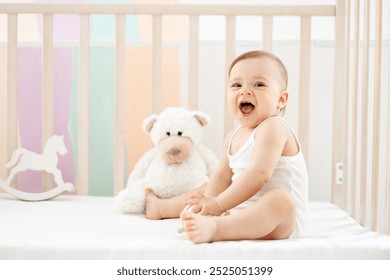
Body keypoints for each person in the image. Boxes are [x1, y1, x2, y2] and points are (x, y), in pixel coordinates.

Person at [145, 50, 308, 244]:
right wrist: (207, 205)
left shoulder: (274, 127)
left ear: (280, 100)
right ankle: (162, 208)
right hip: (239, 211)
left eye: (259, 84)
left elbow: (259, 175)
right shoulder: (234, 136)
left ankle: (217, 229)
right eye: (237, 85)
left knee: (281, 201)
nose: (245, 91)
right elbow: (222, 175)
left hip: (280, 222)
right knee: (207, 188)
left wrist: (217, 204)